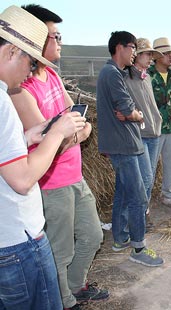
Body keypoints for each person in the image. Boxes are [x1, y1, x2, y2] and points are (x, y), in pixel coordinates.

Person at [10, 5, 108, 309]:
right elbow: (51, 141)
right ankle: (65, 300)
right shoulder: (19, 91)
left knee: (93, 235)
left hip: (73, 175)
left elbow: (77, 125)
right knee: (61, 249)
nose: (60, 41)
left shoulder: (50, 74)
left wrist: (69, 132)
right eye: (55, 36)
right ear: (36, 41)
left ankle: (75, 286)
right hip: (51, 183)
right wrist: (68, 132)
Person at [0, 5, 85, 309]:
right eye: (30, 60)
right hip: (17, 240)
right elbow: (22, 179)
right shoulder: (2, 101)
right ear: (12, 51)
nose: (28, 72)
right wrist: (56, 133)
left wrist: (26, 138)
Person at [96, 31, 164, 267]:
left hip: (126, 141)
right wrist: (136, 114)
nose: (134, 52)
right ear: (119, 48)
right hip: (124, 144)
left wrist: (132, 114)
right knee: (137, 196)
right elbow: (128, 110)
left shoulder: (115, 73)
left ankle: (120, 239)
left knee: (125, 192)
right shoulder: (113, 74)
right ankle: (138, 247)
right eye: (132, 47)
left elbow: (128, 111)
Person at [123, 38, 163, 209]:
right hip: (140, 134)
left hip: (154, 132)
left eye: (152, 55)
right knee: (145, 178)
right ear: (136, 55)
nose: (151, 58)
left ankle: (143, 212)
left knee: (150, 177)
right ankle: (137, 214)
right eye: (147, 54)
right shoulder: (126, 78)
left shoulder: (146, 78)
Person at [148, 37, 171, 209]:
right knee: (150, 167)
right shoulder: (147, 76)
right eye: (167, 53)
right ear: (156, 56)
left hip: (170, 127)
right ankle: (144, 201)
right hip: (153, 130)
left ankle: (168, 194)